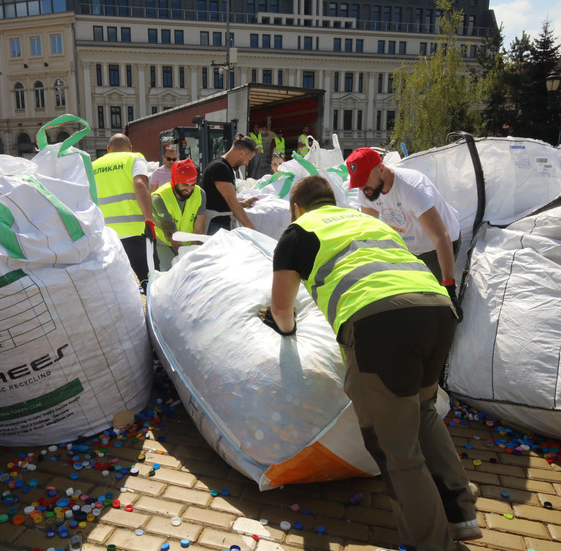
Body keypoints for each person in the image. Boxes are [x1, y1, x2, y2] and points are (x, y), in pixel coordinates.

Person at [260, 175, 480, 551]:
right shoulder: (367, 222)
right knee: (423, 409)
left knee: (396, 448)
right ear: (335, 199)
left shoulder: (298, 233)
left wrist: (285, 328)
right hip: (436, 311)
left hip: (381, 325)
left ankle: (433, 545)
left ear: (296, 208)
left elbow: (282, 308)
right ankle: (461, 513)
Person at [347, 147, 461, 287]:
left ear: (382, 169)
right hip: (408, 249)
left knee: (430, 294)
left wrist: (448, 284)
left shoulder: (413, 189)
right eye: (357, 183)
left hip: (437, 248)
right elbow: (368, 234)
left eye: (364, 180)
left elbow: (441, 238)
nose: (361, 188)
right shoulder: (368, 191)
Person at [92, 133, 154, 291]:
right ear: (130, 148)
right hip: (135, 231)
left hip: (105, 234)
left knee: (113, 285)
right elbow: (140, 184)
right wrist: (149, 220)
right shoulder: (134, 159)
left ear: (107, 150)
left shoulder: (93, 166)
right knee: (150, 280)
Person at [151, 159, 207, 271]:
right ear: (175, 181)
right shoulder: (159, 198)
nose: (189, 189)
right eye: (185, 185)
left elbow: (199, 231)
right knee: (169, 273)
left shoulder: (200, 193)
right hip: (165, 243)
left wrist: (195, 256)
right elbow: (174, 238)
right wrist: (185, 264)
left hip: (189, 243)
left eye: (192, 185)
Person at [200, 134, 260, 235]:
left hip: (220, 223)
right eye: (248, 159)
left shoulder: (225, 168)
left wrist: (241, 203)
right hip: (216, 225)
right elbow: (232, 202)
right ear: (241, 153)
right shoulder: (220, 168)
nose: (246, 163)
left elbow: (220, 200)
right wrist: (252, 230)